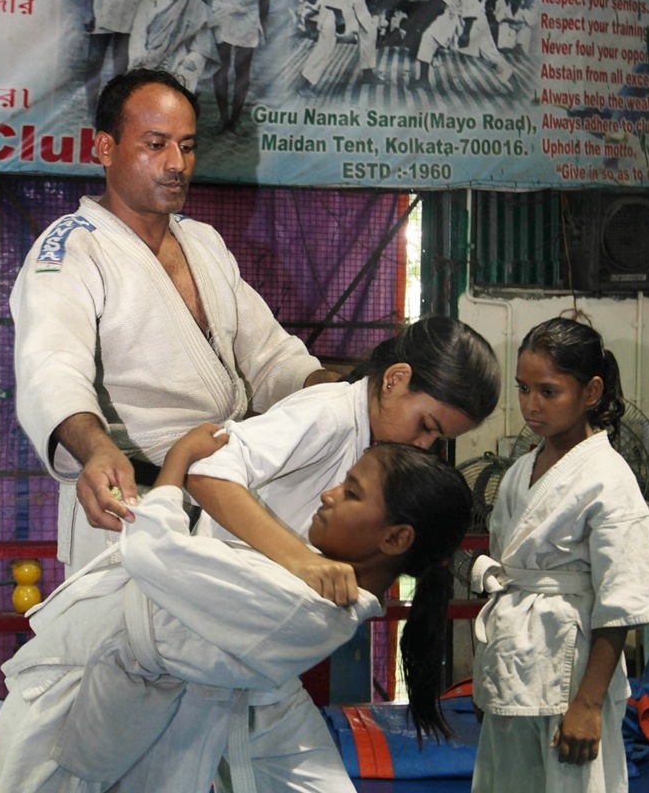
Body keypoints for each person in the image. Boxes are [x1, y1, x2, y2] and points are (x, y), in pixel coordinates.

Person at [0, 426, 473, 793]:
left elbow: (153, 554)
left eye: (351, 493)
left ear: (395, 538)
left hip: (80, 701)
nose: (328, 493)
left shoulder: (303, 605)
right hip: (114, 696)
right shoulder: (315, 587)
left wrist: (181, 458)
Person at [10, 68, 335, 576]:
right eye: (156, 144)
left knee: (216, 653)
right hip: (125, 501)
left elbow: (270, 356)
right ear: (105, 148)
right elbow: (51, 366)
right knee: (126, 653)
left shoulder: (203, 242)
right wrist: (95, 449)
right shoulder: (72, 248)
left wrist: (334, 389)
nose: (176, 163)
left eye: (187, 146)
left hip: (224, 495)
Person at [185, 315, 501, 789]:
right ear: (395, 380)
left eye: (437, 439)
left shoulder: (369, 444)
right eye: (426, 426)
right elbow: (209, 470)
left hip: (249, 653)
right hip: (205, 629)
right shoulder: (330, 414)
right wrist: (301, 559)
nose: (424, 444)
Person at [469, 317, 649, 793]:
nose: (531, 406)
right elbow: (506, 567)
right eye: (523, 389)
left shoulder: (609, 477)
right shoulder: (519, 471)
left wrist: (587, 704)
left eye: (548, 391)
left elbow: (622, 602)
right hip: (513, 654)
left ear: (591, 391)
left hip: (573, 666)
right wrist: (489, 664)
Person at [298, 0, 387, 97]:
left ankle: (368, 73)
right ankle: (304, 82)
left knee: (369, 31)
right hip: (334, 4)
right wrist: (339, 18)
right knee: (326, 44)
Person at [127, 0, 220, 94]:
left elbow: (203, 44)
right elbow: (138, 36)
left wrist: (193, 59)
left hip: (181, 57)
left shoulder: (197, 5)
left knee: (186, 75)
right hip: (150, 56)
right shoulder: (148, 3)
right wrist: (139, 56)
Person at [209, 0, 270, 136]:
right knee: (221, 67)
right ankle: (223, 118)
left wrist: (263, 21)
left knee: (242, 69)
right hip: (223, 13)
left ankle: (235, 120)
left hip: (249, 16)